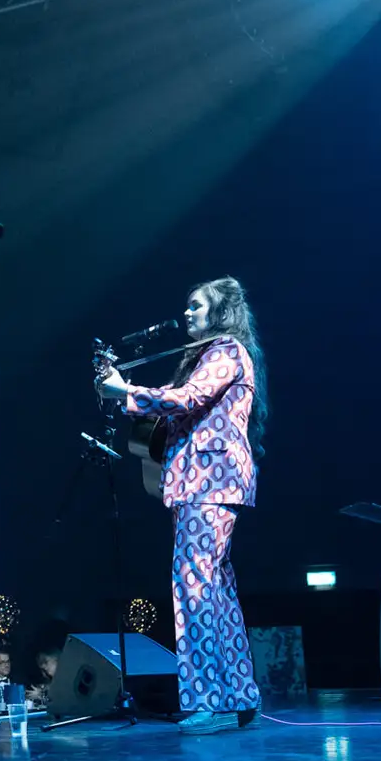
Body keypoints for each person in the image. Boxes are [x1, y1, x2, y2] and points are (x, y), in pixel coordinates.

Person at [98, 276, 267, 735]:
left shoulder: (226, 350)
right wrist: (126, 396)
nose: (187, 313)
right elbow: (182, 407)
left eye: (196, 306)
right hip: (208, 482)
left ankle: (209, 701)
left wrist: (124, 391)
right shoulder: (215, 354)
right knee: (215, 590)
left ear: (220, 312)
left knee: (193, 587)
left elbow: (188, 398)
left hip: (208, 482)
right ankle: (239, 696)